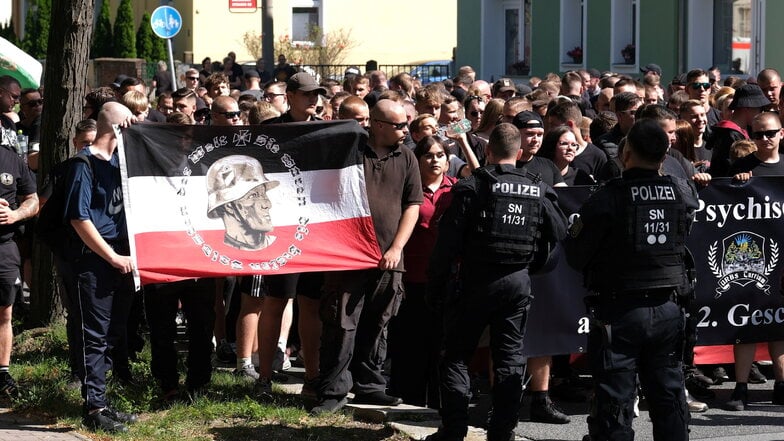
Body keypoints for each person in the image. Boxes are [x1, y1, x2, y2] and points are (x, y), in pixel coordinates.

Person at [424, 123, 567, 441]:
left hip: (475, 281)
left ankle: (454, 429)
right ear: (519, 153)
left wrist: (436, 287)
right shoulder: (537, 186)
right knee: (509, 358)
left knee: (457, 355)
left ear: (487, 152)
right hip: (517, 282)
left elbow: (447, 245)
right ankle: (503, 432)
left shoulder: (474, 185)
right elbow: (559, 231)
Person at [564, 119, 698, 441]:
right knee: (669, 397)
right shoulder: (682, 191)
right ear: (665, 155)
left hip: (620, 311)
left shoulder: (609, 196)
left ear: (626, 152)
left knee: (615, 402)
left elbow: (576, 254)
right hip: (668, 308)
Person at [312, 99, 423, 414]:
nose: (405, 130)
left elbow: (412, 205)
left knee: (378, 324)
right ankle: (332, 391)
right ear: (376, 124)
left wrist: (397, 247)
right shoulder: (350, 151)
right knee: (340, 322)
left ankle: (371, 386)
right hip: (348, 256)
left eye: (406, 124)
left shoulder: (408, 157)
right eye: (398, 125)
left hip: (389, 259)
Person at [63, 102, 138, 433]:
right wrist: (112, 257)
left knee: (112, 333)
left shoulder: (120, 164)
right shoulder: (84, 165)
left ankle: (102, 400)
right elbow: (79, 219)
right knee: (94, 334)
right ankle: (94, 408)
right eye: (130, 125)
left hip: (121, 258)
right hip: (94, 262)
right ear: (116, 128)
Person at [388, 135, 456, 408]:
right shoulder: (408, 190)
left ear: (448, 161)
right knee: (412, 344)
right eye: (428, 155)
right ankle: (410, 402)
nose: (434, 160)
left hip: (447, 278)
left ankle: (441, 403)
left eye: (440, 155)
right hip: (412, 276)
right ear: (417, 160)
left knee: (442, 345)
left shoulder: (457, 190)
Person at [725, 111, 784, 411]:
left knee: (780, 324)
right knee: (746, 324)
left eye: (770, 133)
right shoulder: (742, 167)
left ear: (781, 133)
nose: (765, 139)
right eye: (759, 134)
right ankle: (740, 387)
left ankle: (781, 385)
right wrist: (738, 181)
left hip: (783, 260)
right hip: (751, 261)